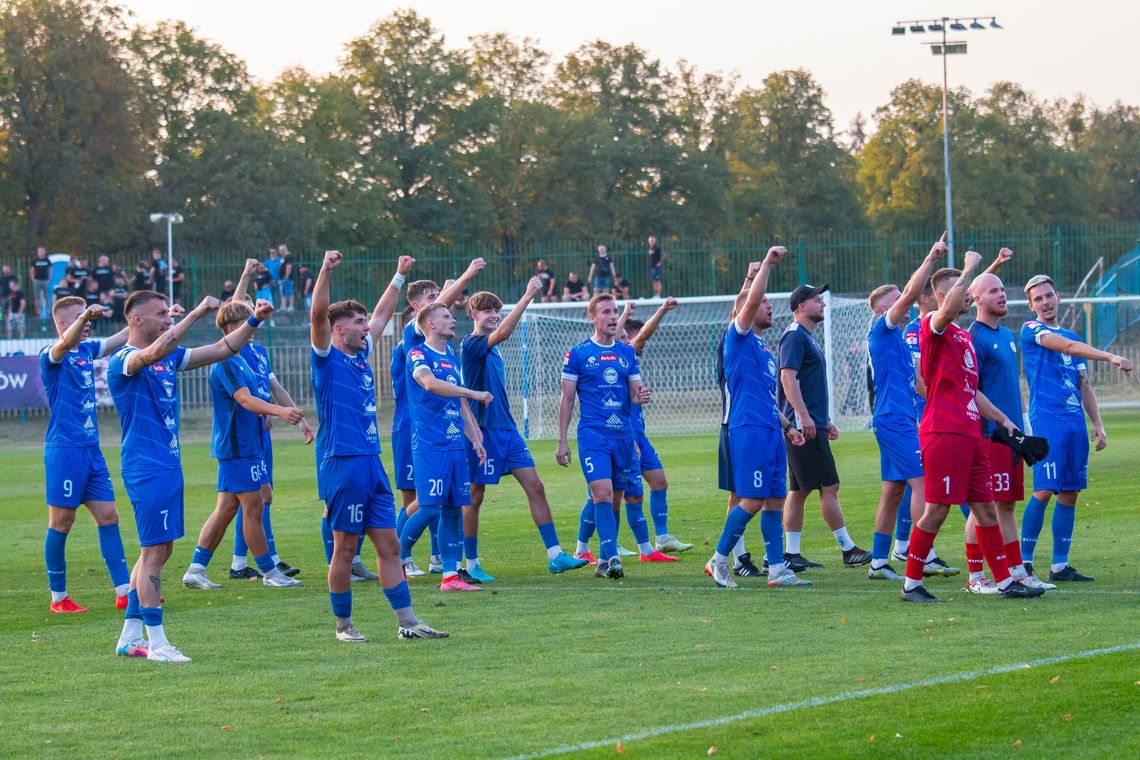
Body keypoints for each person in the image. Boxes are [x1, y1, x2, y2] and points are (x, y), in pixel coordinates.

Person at [107, 290, 271, 662]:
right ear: (136, 320)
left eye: (170, 313)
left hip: (168, 464)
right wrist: (196, 313)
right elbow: (152, 353)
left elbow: (221, 349)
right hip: (146, 467)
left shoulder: (170, 360)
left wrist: (255, 319)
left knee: (161, 549)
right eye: (161, 313)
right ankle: (158, 642)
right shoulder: (124, 359)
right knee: (152, 552)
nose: (168, 318)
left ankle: (130, 637)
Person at [309, 249, 446, 642]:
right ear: (337, 330)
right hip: (343, 463)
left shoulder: (361, 354)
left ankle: (409, 624)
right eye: (357, 322)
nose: (366, 326)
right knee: (345, 549)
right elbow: (318, 315)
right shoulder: (326, 358)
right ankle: (343, 626)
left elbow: (384, 315)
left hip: (371, 462)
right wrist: (324, 271)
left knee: (389, 545)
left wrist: (400, 275)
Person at [900, 253, 1043, 603]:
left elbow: (971, 390)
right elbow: (948, 309)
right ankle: (911, 584)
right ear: (942, 297)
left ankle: (1005, 582)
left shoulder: (963, 339)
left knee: (986, 509)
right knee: (937, 511)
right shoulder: (934, 326)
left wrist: (1002, 418)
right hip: (944, 433)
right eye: (959, 292)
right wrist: (968, 269)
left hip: (971, 434)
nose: (966, 297)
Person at [458, 278, 589, 581]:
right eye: (487, 311)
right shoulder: (472, 344)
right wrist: (528, 295)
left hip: (508, 431)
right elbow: (504, 333)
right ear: (473, 314)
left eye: (496, 310)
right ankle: (472, 563)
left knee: (536, 486)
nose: (494, 315)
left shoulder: (493, 349)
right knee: (475, 496)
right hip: (484, 431)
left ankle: (555, 555)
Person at [706, 248, 812, 588]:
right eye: (762, 301)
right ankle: (719, 559)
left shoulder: (765, 350)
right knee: (750, 500)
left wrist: (788, 426)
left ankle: (777, 569)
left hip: (770, 430)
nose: (767, 305)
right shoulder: (737, 340)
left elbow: (767, 398)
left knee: (774, 501)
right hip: (747, 429)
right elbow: (748, 303)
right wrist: (765, 265)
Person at [181, 299, 305, 591]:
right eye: (248, 322)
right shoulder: (225, 360)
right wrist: (280, 411)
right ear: (233, 327)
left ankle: (196, 570)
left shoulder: (240, 358)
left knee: (226, 508)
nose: (253, 328)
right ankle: (269, 571)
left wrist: (284, 413)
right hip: (237, 447)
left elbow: (260, 392)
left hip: (246, 444)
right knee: (254, 506)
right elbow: (245, 400)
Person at [1019, 274, 1132, 583]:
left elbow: (1084, 384)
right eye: (1038, 298)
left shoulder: (1071, 335)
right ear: (1031, 305)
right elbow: (1068, 346)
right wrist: (1109, 355)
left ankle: (1059, 566)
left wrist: (1098, 423)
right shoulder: (1031, 329)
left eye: (1049, 295)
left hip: (1074, 423)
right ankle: (1024, 564)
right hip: (1048, 421)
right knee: (1044, 490)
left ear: (1059, 297)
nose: (1045, 301)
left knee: (1069, 493)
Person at [962, 253, 1053, 594]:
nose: (1002, 294)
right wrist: (996, 424)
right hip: (989, 435)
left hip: (1012, 434)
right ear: (977, 299)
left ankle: (1018, 570)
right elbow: (970, 389)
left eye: (1002, 289)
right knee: (983, 506)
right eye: (993, 290)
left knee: (1007, 504)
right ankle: (975, 577)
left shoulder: (1008, 334)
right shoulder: (974, 336)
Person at [391, 260, 485, 577]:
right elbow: (430, 384)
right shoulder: (414, 345)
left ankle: (447, 570)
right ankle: (396, 555)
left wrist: (474, 436)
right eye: (442, 311)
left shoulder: (449, 354)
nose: (450, 316)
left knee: (450, 507)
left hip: (453, 441)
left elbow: (456, 399)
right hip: (422, 435)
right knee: (423, 503)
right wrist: (467, 274)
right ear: (424, 317)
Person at [39, 298, 132, 615]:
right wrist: (85, 317)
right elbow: (64, 342)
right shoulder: (51, 356)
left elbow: (120, 338)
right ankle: (59, 598)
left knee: (109, 516)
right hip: (64, 451)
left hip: (92, 451)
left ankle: (124, 593)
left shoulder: (86, 350)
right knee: (62, 522)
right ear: (64, 323)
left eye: (88, 316)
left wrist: (151, 321)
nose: (88, 321)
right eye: (80, 317)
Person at [863, 236, 945, 581]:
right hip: (894, 419)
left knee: (893, 490)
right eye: (897, 300)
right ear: (885, 310)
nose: (906, 302)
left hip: (898, 417)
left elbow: (916, 382)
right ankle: (920, 556)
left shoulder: (897, 338)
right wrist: (930, 257)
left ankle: (879, 563)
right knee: (923, 484)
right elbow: (913, 292)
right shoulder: (883, 330)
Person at [556, 293, 649, 580]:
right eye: (606, 312)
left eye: (615, 311)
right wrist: (562, 440)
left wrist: (640, 396)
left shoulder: (626, 353)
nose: (612, 316)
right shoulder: (578, 353)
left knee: (616, 499)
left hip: (622, 435)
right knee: (602, 494)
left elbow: (634, 394)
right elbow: (567, 399)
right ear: (592, 317)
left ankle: (603, 560)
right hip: (593, 436)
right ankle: (612, 557)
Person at [778, 284, 871, 569]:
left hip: (810, 423)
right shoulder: (795, 336)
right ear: (802, 306)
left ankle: (792, 553)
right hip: (802, 426)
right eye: (817, 300)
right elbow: (787, 378)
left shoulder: (807, 337)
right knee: (829, 485)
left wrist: (822, 419)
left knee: (800, 489)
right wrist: (804, 417)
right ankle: (847, 549)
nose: (824, 304)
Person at [613, 298, 694, 556]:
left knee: (659, 482)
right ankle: (612, 543)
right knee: (613, 493)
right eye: (631, 338)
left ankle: (662, 538)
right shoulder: (619, 356)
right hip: (624, 437)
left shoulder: (631, 363)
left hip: (640, 436)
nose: (640, 343)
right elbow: (644, 333)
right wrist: (660, 310)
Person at [31, 246, 53, 322]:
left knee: (46, 297)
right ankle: (38, 314)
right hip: (37, 280)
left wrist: (50, 277)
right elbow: (32, 270)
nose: (40, 252)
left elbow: (50, 269)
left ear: (44, 252)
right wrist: (33, 279)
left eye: (42, 251)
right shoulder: (35, 261)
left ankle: (49, 313)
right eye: (39, 251)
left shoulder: (47, 260)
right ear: (37, 252)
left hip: (45, 280)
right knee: (37, 298)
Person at [278, 245, 295, 312]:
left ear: (285, 249)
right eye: (280, 250)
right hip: (282, 279)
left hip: (287, 278)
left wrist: (286, 277)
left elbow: (289, 267)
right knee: (283, 292)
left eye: (281, 250)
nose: (280, 252)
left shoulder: (288, 257)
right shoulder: (283, 258)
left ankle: (291, 306)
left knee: (289, 292)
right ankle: (283, 306)